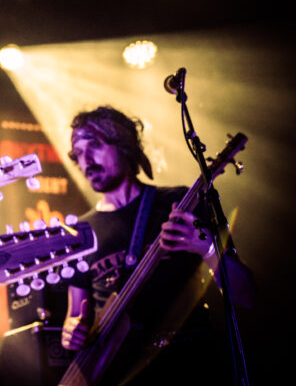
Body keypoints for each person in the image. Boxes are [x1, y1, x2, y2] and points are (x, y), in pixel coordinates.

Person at [60, 106, 255, 385]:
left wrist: (207, 248)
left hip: (186, 366)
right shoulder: (79, 232)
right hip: (117, 375)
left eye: (94, 144)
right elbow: (75, 314)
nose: (85, 159)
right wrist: (71, 333)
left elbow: (245, 295)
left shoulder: (178, 202)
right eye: (77, 152)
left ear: (125, 146)